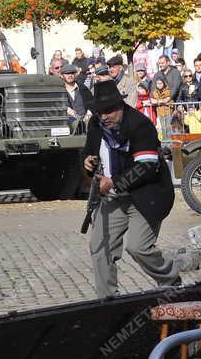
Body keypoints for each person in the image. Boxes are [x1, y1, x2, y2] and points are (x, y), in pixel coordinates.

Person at [83, 82, 181, 296]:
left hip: (146, 195)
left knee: (138, 247)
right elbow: (88, 152)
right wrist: (87, 162)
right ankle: (108, 302)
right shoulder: (96, 125)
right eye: (99, 112)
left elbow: (146, 167)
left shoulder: (140, 125)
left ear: (121, 106)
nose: (104, 116)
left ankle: (171, 278)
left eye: (108, 111)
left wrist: (114, 182)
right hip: (113, 198)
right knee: (100, 247)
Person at [62, 64, 94, 132]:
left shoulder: (83, 88)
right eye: (67, 73)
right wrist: (66, 109)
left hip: (86, 126)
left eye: (72, 73)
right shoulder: (58, 90)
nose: (70, 75)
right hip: (67, 127)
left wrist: (89, 113)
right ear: (62, 75)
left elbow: (92, 104)